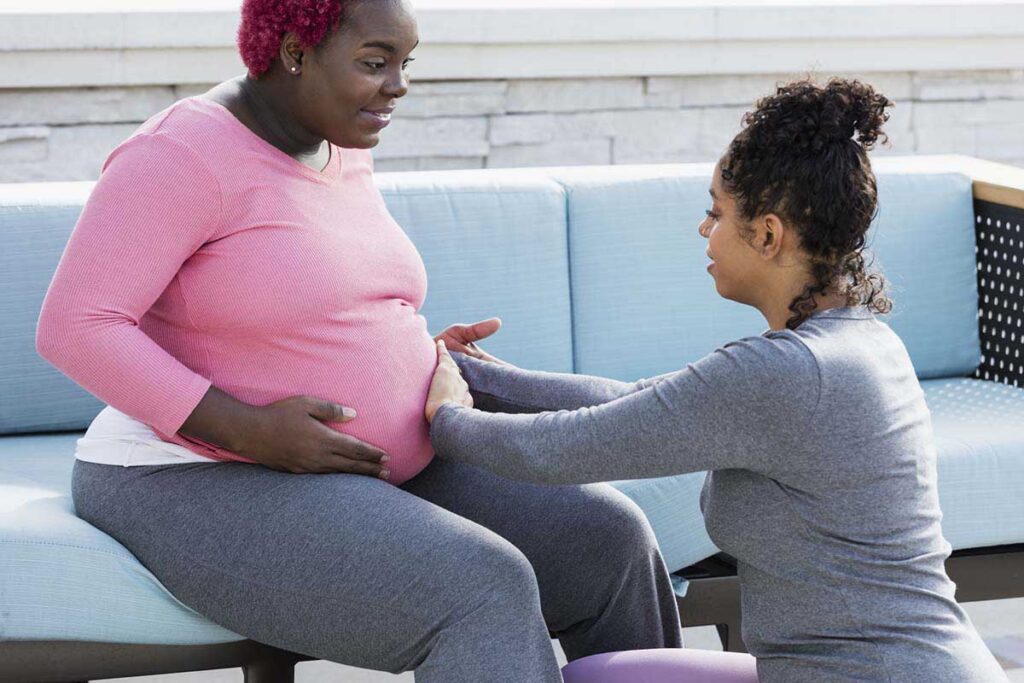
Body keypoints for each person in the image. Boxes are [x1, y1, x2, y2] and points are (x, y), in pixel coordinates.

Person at [35, 1, 683, 680]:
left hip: (369, 459)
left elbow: (317, 295)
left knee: (608, 539)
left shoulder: (336, 139)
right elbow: (76, 326)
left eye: (405, 63)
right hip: (193, 473)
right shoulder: (181, 153)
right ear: (295, 51)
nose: (398, 85)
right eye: (375, 63)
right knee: (481, 586)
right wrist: (250, 429)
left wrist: (404, 354)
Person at [427, 77, 1008, 682]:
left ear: (767, 233)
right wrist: (482, 377)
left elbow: (565, 449)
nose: (705, 231)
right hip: (917, 667)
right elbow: (638, 402)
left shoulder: (784, 374)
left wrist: (448, 421)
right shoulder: (858, 343)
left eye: (716, 212)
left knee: (592, 678)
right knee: (606, 673)